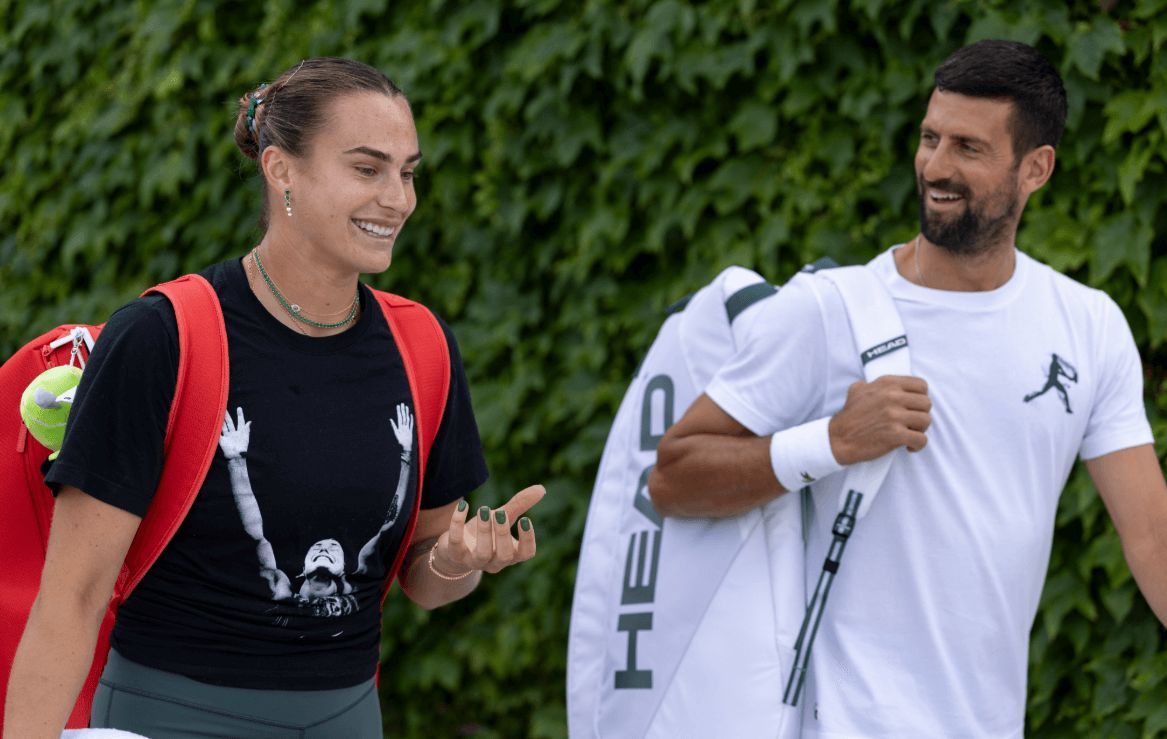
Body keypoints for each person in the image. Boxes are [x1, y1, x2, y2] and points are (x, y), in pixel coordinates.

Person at [5, 57, 544, 738]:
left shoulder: (422, 346)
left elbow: (423, 578)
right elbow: (71, 597)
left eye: (407, 172)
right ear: (280, 169)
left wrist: (457, 560)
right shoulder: (162, 338)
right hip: (170, 719)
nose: (398, 198)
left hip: (348, 717)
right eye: (366, 168)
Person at [650, 39, 1167, 738]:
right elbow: (672, 476)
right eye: (929, 138)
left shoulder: (1086, 324)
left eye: (967, 147)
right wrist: (829, 442)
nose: (935, 167)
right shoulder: (825, 310)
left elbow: (1152, 537)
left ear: (1035, 168)